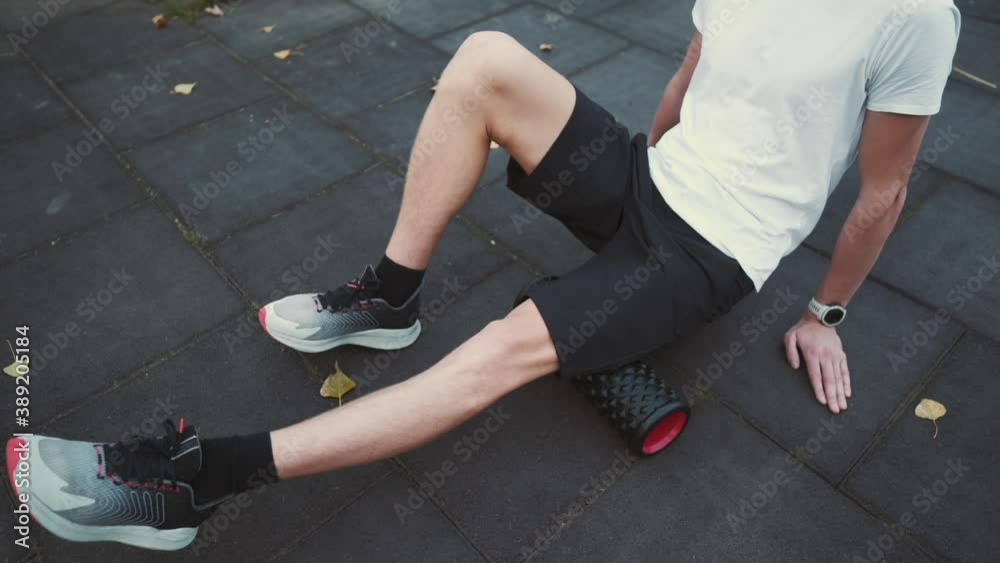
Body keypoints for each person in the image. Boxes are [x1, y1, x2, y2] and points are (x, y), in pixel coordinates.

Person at [7, 0, 960, 550]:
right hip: (651, 182)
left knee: (506, 346)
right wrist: (632, 192)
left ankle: (195, 481)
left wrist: (826, 311)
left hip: (712, 252)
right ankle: (390, 294)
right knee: (487, 59)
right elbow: (686, 81)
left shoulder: (912, 15)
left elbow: (884, 192)